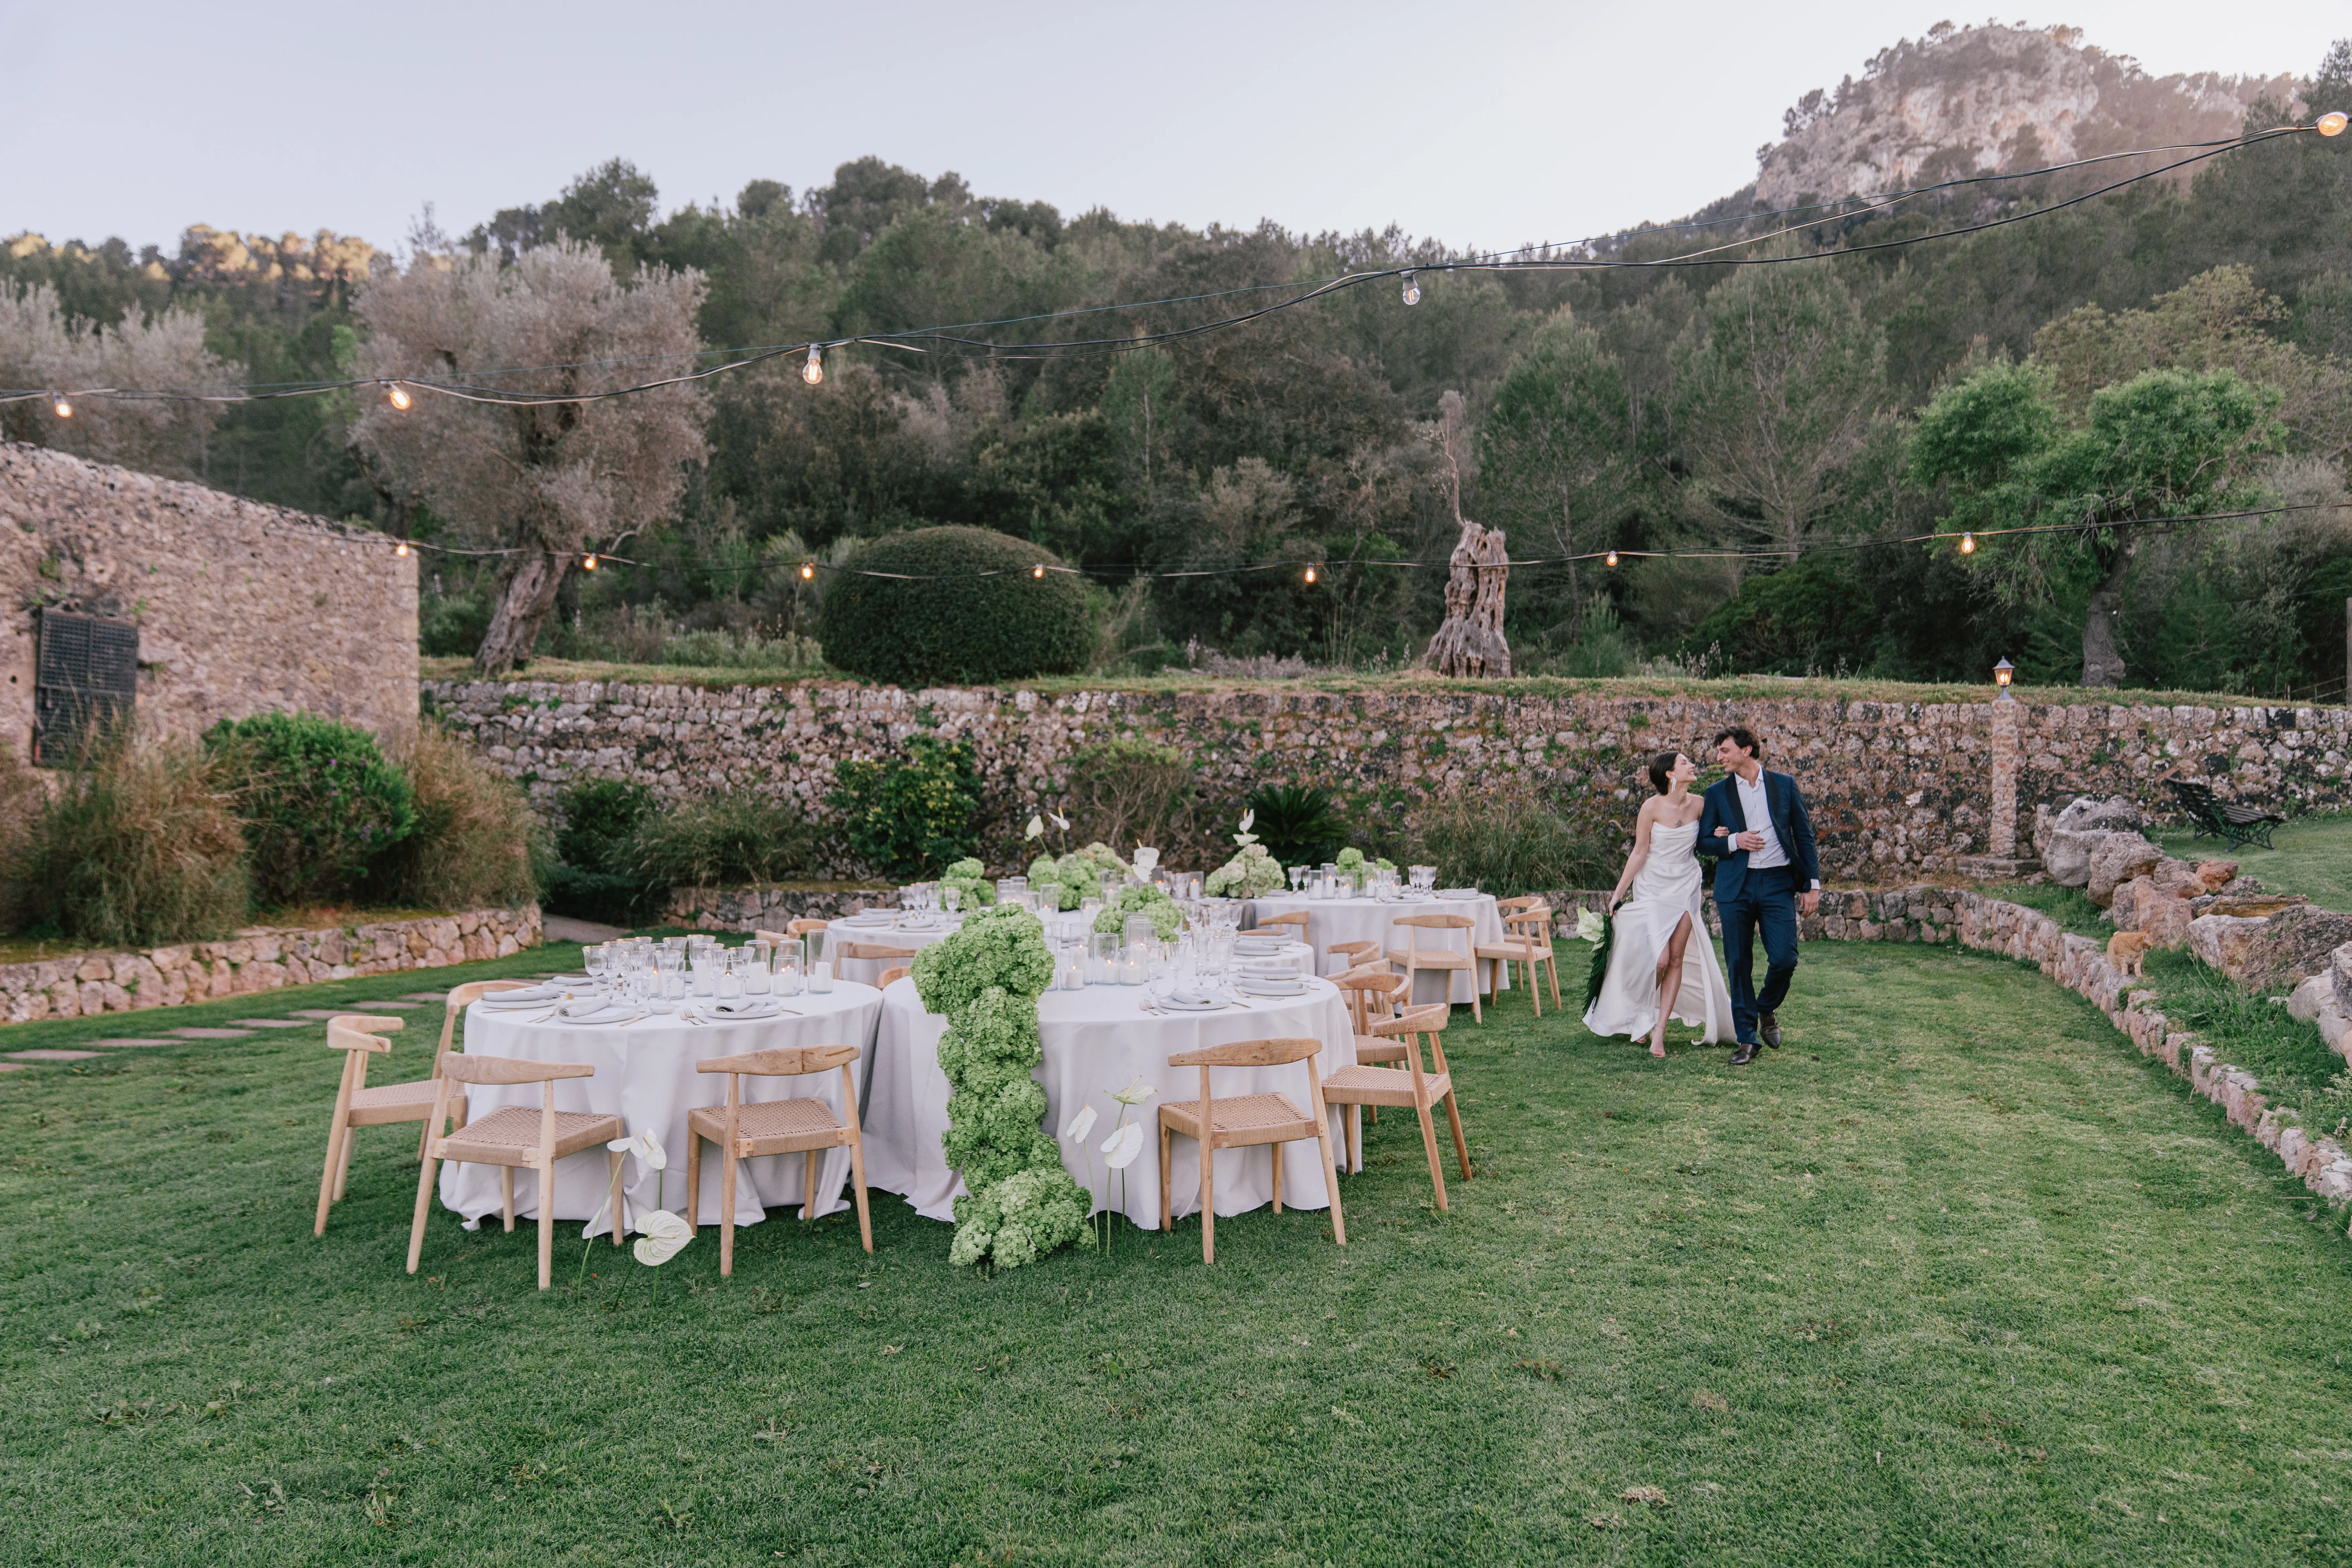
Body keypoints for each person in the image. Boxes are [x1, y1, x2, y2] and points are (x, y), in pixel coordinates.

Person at [1584, 751, 1733, 1057]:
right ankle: (1639, 1012)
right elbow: (1640, 852)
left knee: (1676, 959)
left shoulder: (1701, 805)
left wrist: (1721, 833)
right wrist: (1617, 893)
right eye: (1684, 763)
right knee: (1661, 960)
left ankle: (1659, 1032)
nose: (1692, 766)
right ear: (1669, 773)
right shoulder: (1650, 808)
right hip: (1653, 888)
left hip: (1686, 886)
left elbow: (1708, 840)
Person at [1695, 727, 1820, 1066]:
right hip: (1736, 886)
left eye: (1724, 750)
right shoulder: (1717, 793)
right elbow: (1704, 842)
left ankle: (1766, 1006)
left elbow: (1804, 836)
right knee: (1739, 964)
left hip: (1778, 882)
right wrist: (1735, 841)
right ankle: (1747, 1039)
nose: (1718, 757)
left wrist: (1813, 884)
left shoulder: (1784, 785)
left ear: (1747, 750)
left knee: (1785, 958)